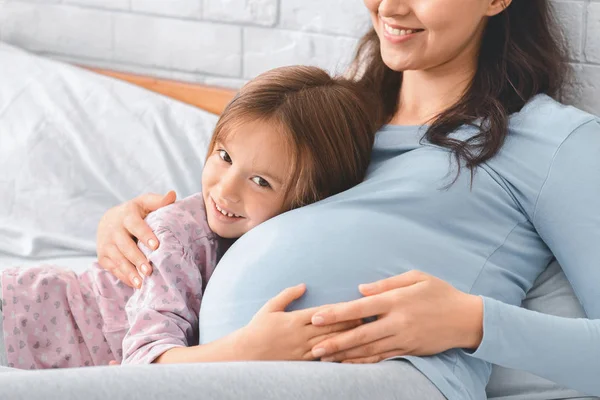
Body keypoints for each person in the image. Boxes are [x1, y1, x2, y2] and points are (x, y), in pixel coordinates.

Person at [93, 0, 600, 399]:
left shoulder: (552, 141)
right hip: (217, 367)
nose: (390, 7)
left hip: (387, 378)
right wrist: (138, 226)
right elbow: (225, 213)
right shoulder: (329, 119)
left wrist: (473, 323)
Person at [0, 65, 381, 369]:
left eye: (261, 181)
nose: (226, 189)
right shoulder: (178, 237)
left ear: (311, 200)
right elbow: (145, 363)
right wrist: (251, 348)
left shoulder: (279, 245)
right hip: (22, 315)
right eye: (224, 156)